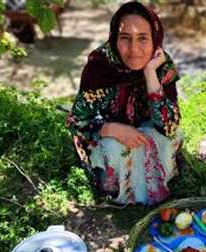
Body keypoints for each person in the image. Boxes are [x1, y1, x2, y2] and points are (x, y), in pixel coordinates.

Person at [66, 1, 183, 205]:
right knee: (112, 149)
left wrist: (150, 74)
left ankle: (153, 189)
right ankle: (117, 194)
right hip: (106, 132)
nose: (134, 49)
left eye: (143, 39)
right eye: (125, 38)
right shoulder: (100, 66)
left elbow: (169, 126)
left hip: (145, 128)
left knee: (171, 137)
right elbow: (76, 121)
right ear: (114, 38)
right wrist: (111, 129)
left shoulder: (161, 65)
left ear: (154, 39)